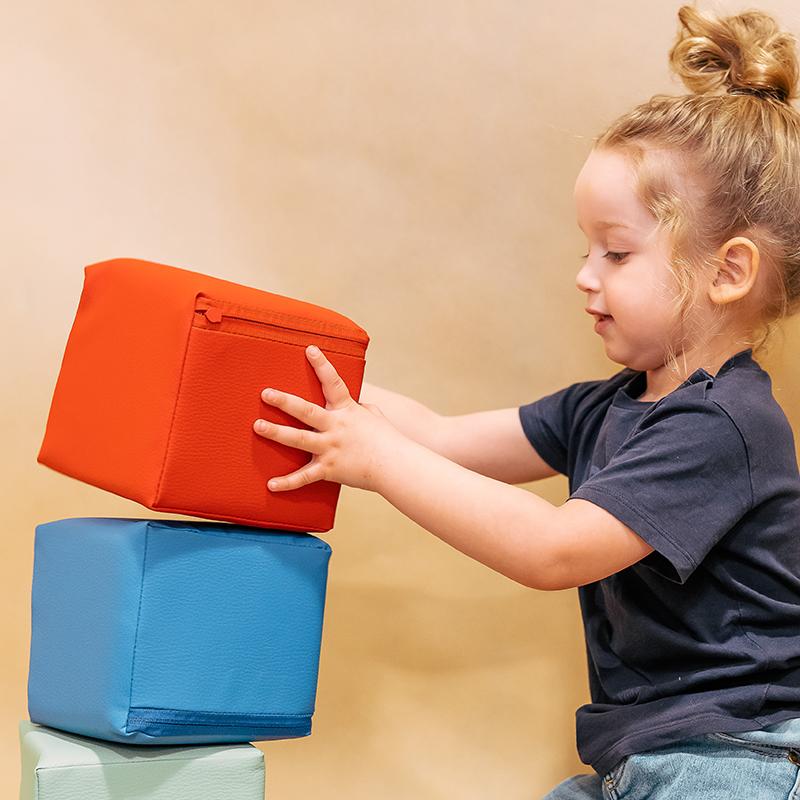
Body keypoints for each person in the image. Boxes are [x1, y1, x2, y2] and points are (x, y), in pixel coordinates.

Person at [251, 4, 800, 797]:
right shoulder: (600, 409)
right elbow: (438, 438)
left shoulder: (724, 425)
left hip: (733, 759)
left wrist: (374, 459)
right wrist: (318, 386)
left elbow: (553, 550)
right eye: (586, 249)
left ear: (728, 272)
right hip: (640, 763)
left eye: (616, 252)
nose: (585, 274)